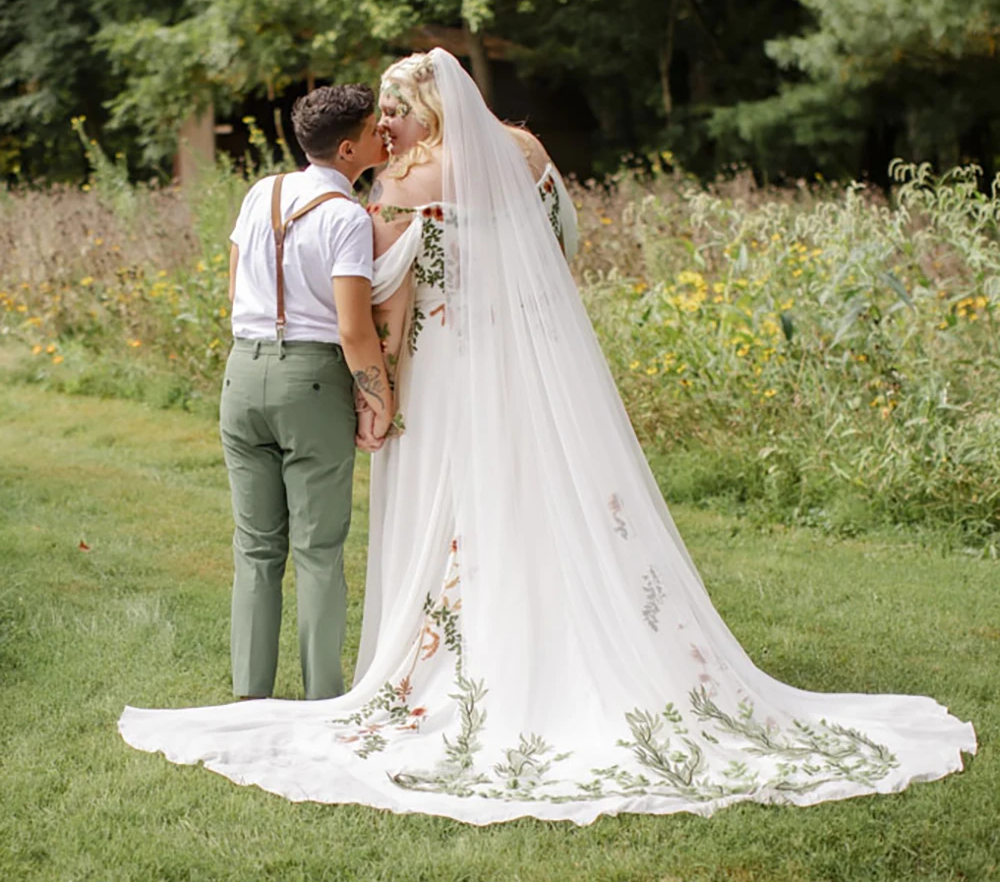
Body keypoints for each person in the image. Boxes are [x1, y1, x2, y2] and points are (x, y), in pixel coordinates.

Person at [120, 49, 975, 826]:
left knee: (445, 501)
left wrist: (381, 388)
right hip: (525, 356)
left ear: (426, 106)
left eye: (394, 111)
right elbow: (563, 241)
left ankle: (423, 666)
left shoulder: (409, 179)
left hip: (449, 365)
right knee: (537, 485)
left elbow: (390, 296)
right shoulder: (522, 154)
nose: (385, 128)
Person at [221, 83, 392, 702]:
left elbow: (236, 287)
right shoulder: (347, 218)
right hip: (313, 377)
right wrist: (379, 396)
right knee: (318, 549)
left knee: (257, 548)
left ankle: (250, 697)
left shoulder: (260, 193)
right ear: (349, 150)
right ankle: (323, 698)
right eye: (377, 130)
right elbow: (353, 327)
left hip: (242, 374)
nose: (385, 136)